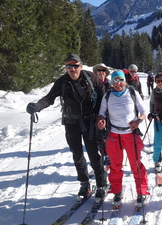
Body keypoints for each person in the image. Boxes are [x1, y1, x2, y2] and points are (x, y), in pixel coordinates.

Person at [26, 54, 107, 202]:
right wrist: (37, 106)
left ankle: (101, 185)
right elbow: (49, 98)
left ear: (81, 66)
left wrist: (100, 113)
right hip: (71, 123)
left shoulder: (90, 77)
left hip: (89, 122)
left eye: (75, 65)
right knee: (77, 155)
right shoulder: (62, 81)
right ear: (66, 68)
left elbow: (102, 91)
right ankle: (84, 184)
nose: (72, 69)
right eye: (69, 66)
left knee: (94, 154)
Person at [97, 70, 149, 208]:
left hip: (131, 135)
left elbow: (144, 112)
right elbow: (101, 112)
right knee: (115, 166)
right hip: (114, 135)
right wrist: (101, 120)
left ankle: (141, 192)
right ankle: (117, 191)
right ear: (111, 82)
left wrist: (138, 121)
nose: (118, 83)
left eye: (120, 80)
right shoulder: (108, 95)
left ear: (124, 81)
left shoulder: (132, 93)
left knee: (136, 165)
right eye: (115, 80)